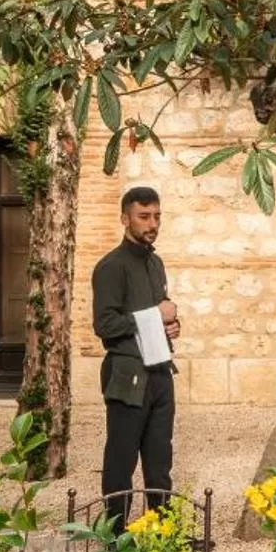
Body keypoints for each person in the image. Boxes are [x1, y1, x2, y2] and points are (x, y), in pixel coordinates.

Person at [92, 185, 179, 526]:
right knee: (121, 458)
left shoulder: (155, 264)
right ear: (125, 219)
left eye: (156, 216)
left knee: (160, 458)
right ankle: (115, 535)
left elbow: (157, 314)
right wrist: (157, 315)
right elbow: (105, 324)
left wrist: (171, 327)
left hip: (160, 373)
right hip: (127, 375)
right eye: (144, 216)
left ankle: (161, 531)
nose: (152, 223)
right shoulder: (111, 267)